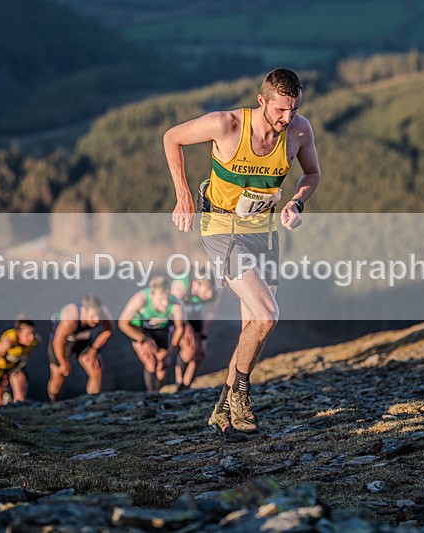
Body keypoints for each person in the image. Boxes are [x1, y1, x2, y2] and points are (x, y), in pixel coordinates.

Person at [163, 68, 322, 441]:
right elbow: (172, 138)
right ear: (261, 101)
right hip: (221, 228)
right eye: (281, 110)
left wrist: (296, 204)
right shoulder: (227, 125)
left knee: (253, 325)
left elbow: (311, 174)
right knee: (267, 316)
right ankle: (240, 394)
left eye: (294, 109)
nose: (287, 118)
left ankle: (221, 412)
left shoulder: (300, 131)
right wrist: (183, 195)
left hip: (263, 231)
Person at [119, 276, 184, 392]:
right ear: (152, 295)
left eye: (167, 299)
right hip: (140, 329)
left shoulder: (175, 304)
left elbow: (180, 328)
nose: (165, 304)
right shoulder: (140, 299)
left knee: (163, 365)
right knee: (150, 362)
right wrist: (143, 340)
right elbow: (122, 323)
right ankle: (151, 393)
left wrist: (169, 353)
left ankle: (158, 393)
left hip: (161, 330)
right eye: (160, 300)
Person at [47, 294, 114, 401]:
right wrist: (63, 362)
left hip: (83, 340)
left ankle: (93, 401)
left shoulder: (103, 313)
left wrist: (94, 349)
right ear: (84, 311)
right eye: (92, 316)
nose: (96, 320)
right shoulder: (71, 319)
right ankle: (54, 402)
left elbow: (109, 330)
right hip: (63, 342)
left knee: (95, 368)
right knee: (58, 375)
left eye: (98, 316)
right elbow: (57, 342)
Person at [170, 275, 219, 392]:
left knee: (200, 354)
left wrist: (203, 336)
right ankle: (179, 382)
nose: (209, 295)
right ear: (196, 285)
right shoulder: (180, 286)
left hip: (196, 318)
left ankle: (187, 385)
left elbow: (210, 314)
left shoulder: (215, 291)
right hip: (178, 319)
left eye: (211, 291)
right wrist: (184, 327)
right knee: (189, 349)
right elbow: (172, 310)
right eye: (206, 291)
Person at [0, 319, 39, 407]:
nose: (31, 337)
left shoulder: (35, 341)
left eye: (33, 333)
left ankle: (19, 414)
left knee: (20, 399)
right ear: (19, 333)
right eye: (28, 334)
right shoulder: (8, 342)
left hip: (14, 368)